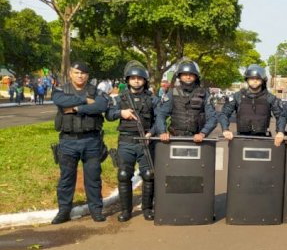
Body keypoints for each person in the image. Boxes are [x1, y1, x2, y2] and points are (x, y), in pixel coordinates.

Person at [51, 61, 109, 224]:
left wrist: (77, 108)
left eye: (83, 73)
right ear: (70, 74)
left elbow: (102, 105)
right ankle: (63, 211)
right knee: (66, 178)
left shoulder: (96, 91)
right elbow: (61, 102)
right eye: (76, 72)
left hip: (91, 141)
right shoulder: (61, 90)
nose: (80, 75)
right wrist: (86, 100)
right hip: (68, 141)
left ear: (87, 75)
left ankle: (96, 210)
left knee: (93, 178)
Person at [106, 61, 161, 222]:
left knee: (149, 175)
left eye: (140, 78)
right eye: (133, 78)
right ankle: (125, 211)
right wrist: (120, 113)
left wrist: (152, 132)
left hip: (145, 141)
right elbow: (108, 114)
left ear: (145, 80)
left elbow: (160, 118)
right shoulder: (120, 98)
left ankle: (147, 209)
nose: (136, 81)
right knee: (124, 175)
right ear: (128, 80)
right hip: (126, 141)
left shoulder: (152, 99)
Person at [218, 64, 284, 146]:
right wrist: (225, 129)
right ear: (247, 80)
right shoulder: (237, 96)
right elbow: (224, 113)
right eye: (252, 78)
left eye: (258, 78)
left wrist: (280, 132)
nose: (255, 81)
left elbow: (281, 115)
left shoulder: (270, 98)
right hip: (241, 139)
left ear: (263, 80)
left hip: (262, 139)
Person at [158, 60, 217, 142]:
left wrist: (203, 133)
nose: (188, 77)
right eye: (185, 75)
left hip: (197, 139)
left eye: (191, 75)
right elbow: (161, 114)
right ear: (180, 76)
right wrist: (163, 132)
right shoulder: (172, 93)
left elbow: (212, 117)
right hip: (175, 138)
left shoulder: (204, 94)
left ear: (196, 76)